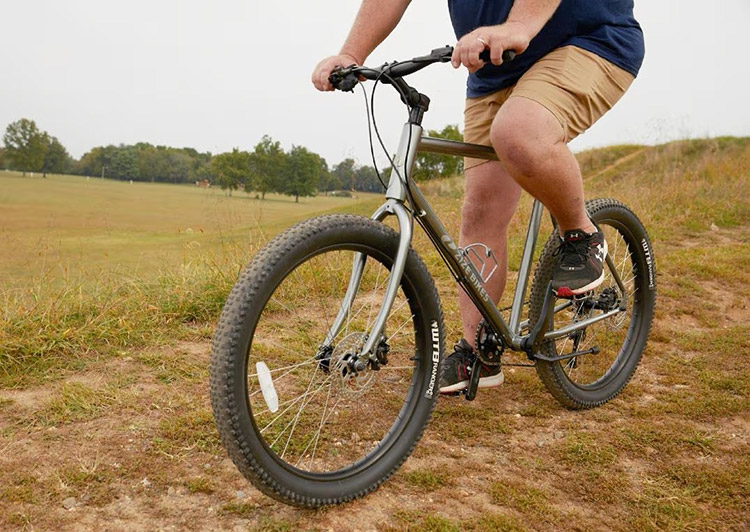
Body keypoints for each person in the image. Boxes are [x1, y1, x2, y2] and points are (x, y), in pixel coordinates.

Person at [312, 0, 644, 394]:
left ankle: (581, 235)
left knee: (520, 133)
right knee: (480, 212)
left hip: (587, 42)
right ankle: (479, 353)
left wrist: (518, 26)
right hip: (494, 67)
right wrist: (352, 53)